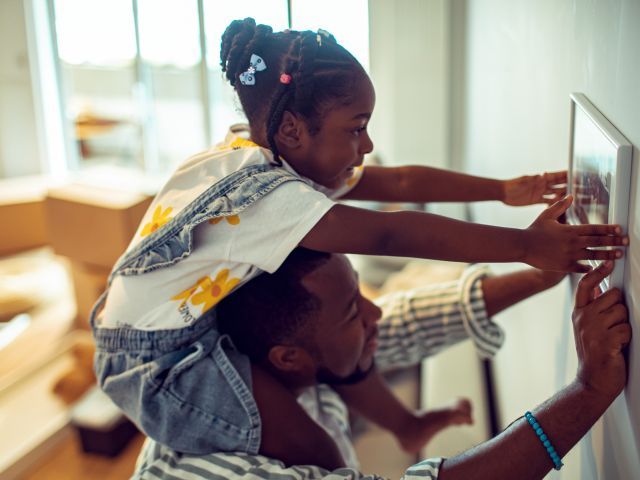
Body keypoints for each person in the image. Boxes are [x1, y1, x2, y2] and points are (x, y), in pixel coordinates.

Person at [90, 17, 628, 469]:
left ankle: (407, 425)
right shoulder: (264, 198)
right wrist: (525, 246)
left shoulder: (267, 150)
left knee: (336, 344)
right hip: (155, 364)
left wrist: (504, 190)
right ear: (295, 130)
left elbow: (399, 186)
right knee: (311, 445)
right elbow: (390, 230)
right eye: (356, 127)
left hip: (172, 321)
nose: (367, 145)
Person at [131, 250, 630, 480]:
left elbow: (406, 322)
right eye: (354, 310)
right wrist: (587, 390)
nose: (375, 312)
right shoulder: (219, 466)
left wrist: (542, 272)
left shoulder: (267, 360)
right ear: (289, 357)